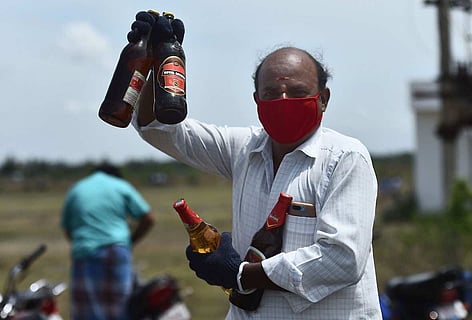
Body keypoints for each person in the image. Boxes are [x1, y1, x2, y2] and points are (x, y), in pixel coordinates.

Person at [128, 11, 381, 319]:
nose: (284, 100)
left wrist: (242, 274)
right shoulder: (244, 149)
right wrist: (154, 59)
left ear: (323, 98)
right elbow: (158, 128)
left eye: (298, 92)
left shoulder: (345, 157)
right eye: (271, 94)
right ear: (257, 100)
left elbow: (342, 258)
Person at [60, 162, 155, 320]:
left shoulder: (77, 188)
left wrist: (81, 244)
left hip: (84, 252)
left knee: (86, 310)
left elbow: (68, 228)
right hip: (116, 250)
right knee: (120, 306)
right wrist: (130, 241)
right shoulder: (121, 186)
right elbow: (148, 218)